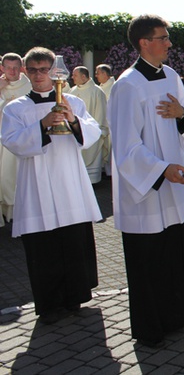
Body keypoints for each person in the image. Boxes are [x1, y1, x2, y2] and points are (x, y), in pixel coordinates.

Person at [109, 14, 184, 348]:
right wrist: (162, 170)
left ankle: (183, 311)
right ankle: (153, 325)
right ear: (144, 42)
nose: (169, 44)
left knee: (177, 247)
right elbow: (126, 145)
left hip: (175, 182)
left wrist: (181, 116)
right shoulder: (127, 85)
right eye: (163, 38)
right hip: (149, 187)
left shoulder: (172, 75)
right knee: (151, 256)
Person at [1, 47, 102, 324]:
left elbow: (93, 132)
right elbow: (11, 141)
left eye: (43, 69)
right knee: (43, 246)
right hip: (36, 182)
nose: (38, 75)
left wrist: (71, 119)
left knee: (72, 241)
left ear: (53, 71)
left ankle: (74, 298)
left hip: (69, 179)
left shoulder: (72, 102)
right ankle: (48, 305)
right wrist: (43, 124)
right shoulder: (16, 107)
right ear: (25, 70)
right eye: (32, 70)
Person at [0, 52, 32, 225]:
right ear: (2, 68)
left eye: (15, 68)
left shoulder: (29, 86)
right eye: (8, 68)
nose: (12, 72)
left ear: (21, 68)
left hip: (20, 138)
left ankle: (15, 213)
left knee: (14, 175)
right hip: (0, 137)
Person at [70, 66, 108, 184]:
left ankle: (93, 181)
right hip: (75, 130)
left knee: (91, 155)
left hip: (91, 131)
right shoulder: (72, 91)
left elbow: (101, 112)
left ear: (83, 76)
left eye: (75, 75)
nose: (72, 77)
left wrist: (99, 130)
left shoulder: (97, 91)